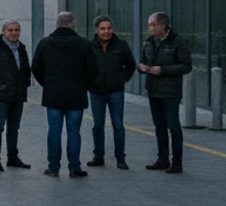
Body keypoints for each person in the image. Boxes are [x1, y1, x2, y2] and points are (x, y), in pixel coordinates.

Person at [31, 12, 98, 177]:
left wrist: (47, 84)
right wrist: (83, 86)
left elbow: (36, 68)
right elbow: (93, 70)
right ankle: (75, 168)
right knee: (74, 132)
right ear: (73, 24)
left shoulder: (45, 43)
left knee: (54, 131)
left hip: (53, 95)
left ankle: (53, 167)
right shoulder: (84, 44)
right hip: (76, 95)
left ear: (57, 24)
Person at [138, 12, 193, 174]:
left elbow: (186, 66)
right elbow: (143, 60)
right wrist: (142, 67)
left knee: (173, 125)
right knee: (159, 126)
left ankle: (177, 162)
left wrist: (163, 70)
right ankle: (162, 159)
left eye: (154, 25)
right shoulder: (149, 41)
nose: (151, 28)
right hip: (153, 90)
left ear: (164, 26)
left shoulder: (177, 42)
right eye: (150, 25)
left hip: (170, 92)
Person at [0, 20, 32, 171]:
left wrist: (25, 83)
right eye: (10, 30)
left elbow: (25, 69)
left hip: (18, 95)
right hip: (1, 96)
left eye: (17, 30)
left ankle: (13, 158)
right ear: (4, 31)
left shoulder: (21, 48)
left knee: (14, 128)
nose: (14, 33)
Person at [87, 15, 136, 170]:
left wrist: (121, 79)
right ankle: (98, 156)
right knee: (98, 125)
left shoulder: (121, 45)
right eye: (103, 28)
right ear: (96, 30)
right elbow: (83, 66)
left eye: (109, 28)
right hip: (96, 92)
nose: (106, 31)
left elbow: (131, 65)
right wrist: (90, 82)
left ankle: (121, 158)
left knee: (118, 125)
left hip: (116, 91)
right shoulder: (89, 46)